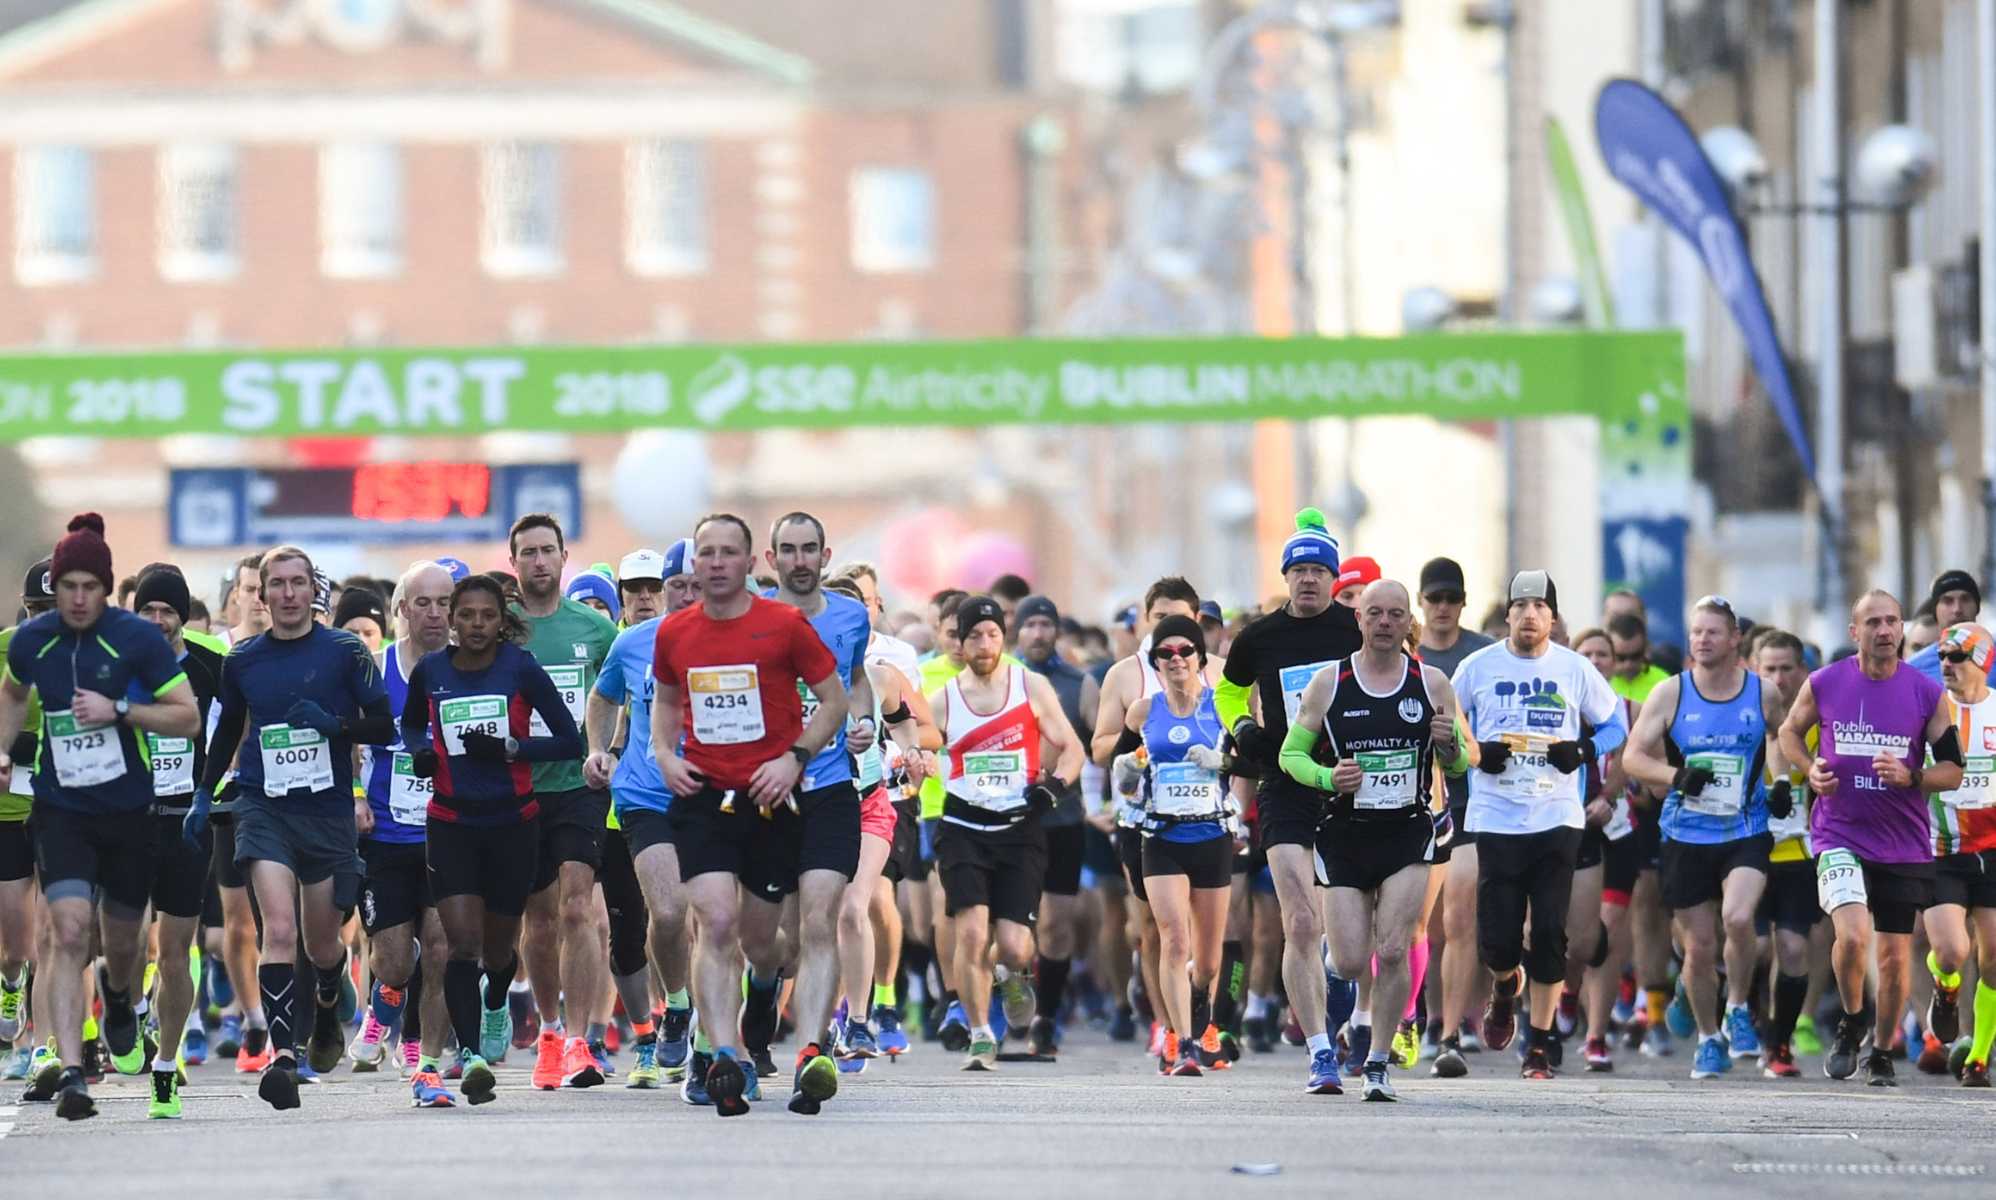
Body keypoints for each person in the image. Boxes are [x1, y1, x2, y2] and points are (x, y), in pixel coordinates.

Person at [649, 513, 850, 1117]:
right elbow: (664, 700)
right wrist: (664, 754)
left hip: (770, 799)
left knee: (765, 940)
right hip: (705, 796)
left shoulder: (783, 625)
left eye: (727, 553)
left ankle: (774, 1008)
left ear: (748, 562)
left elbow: (834, 700)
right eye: (704, 553)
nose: (714, 564)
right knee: (713, 920)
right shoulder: (674, 633)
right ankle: (726, 1058)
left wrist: (795, 757)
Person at [1, 516, 199, 1120]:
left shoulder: (134, 641)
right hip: (61, 811)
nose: (78, 598)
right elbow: (11, 693)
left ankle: (118, 999)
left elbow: (186, 716)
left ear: (107, 590)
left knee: (121, 942)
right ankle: (67, 1070)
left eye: (90, 586)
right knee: (63, 932)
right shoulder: (31, 643)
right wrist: (4, 750)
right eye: (68, 587)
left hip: (125, 810)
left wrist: (119, 710)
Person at [191, 544, 395, 1111]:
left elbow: (382, 725)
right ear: (261, 594)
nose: (285, 594)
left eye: (296, 584)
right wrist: (205, 793)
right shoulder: (244, 660)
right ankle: (284, 1057)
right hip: (263, 806)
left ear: (312, 591)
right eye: (273, 585)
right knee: (277, 931)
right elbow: (229, 727)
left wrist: (336, 726)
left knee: (322, 942)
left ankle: (329, 992)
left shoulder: (345, 652)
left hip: (326, 811)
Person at [399, 574, 581, 1105]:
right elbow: (411, 727)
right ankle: (474, 1056)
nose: (477, 624)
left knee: (500, 949)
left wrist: (512, 749)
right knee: (462, 945)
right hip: (451, 822)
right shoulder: (431, 671)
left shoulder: (519, 668)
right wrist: (423, 751)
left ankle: (498, 998)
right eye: (467, 615)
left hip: (513, 822)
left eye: (487, 615)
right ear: (452, 620)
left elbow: (569, 739)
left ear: (502, 621)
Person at [1281, 580, 1461, 1100]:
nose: (1384, 622)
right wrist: (1325, 777)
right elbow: (1290, 756)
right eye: (1374, 613)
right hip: (1344, 833)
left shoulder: (1431, 683)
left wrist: (1450, 750)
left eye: (1395, 614)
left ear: (1410, 624)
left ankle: (1378, 1062)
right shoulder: (1328, 683)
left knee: (1395, 948)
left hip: (1406, 830)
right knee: (1353, 959)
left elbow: (1460, 761)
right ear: (1358, 621)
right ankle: (1335, 989)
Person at [1776, 589, 1963, 1085]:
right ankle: (1851, 1019)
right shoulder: (1826, 682)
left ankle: (1880, 1049)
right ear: (1854, 632)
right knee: (1853, 936)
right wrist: (1809, 768)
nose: (1885, 631)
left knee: (1895, 957)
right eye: (1874, 623)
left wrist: (1913, 777)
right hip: (1838, 833)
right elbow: (1790, 734)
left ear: (1902, 629)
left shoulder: (1926, 694)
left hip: (1903, 841)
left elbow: (1953, 770)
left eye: (1893, 622)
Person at [1452, 570, 1626, 1080]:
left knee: (1550, 929)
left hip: (1556, 815)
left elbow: (1616, 723)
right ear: (1506, 614)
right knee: (1497, 940)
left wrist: (1585, 749)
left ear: (1553, 617)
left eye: (1539, 606)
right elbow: (1447, 723)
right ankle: (1507, 986)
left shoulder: (1573, 669)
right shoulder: (1478, 666)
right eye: (1520, 605)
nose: (1529, 615)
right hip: (1497, 815)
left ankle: (1540, 1041)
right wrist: (1477, 754)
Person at [1212, 508, 1363, 1093]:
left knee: (1347, 938)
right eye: (1297, 569)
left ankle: (1338, 974)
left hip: (1351, 782)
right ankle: (1321, 1051)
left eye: (1317, 570)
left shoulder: (1355, 630)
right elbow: (1227, 688)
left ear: (1333, 578)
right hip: (1285, 784)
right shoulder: (1261, 636)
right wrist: (1241, 729)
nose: (1307, 580)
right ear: (1285, 577)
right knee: (1299, 920)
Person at [1620, 596, 1785, 1081]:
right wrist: (1676, 776)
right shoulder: (1671, 693)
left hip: (1745, 827)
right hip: (1686, 832)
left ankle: (1736, 1006)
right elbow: (1634, 757)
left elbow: (1779, 738)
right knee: (1699, 945)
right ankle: (1709, 1039)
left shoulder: (1764, 692)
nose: (1702, 640)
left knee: (1738, 917)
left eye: (1713, 632)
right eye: (1696, 632)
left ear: (1735, 639)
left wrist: (1776, 784)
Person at [747, 512, 874, 1094]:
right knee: (774, 942)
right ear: (771, 560)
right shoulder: (751, 620)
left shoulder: (850, 616)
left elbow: (855, 679)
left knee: (821, 920)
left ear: (826, 557)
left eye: (809, 549)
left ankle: (812, 1053)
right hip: (765, 795)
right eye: (788, 550)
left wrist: (864, 720)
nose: (799, 559)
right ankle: (762, 988)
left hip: (827, 788)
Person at [930, 597, 1083, 1072]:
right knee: (971, 932)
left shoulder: (1029, 686)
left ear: (1004, 637)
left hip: (1019, 828)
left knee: (1015, 944)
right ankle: (980, 1035)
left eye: (992, 635)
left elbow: (1072, 748)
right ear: (960, 640)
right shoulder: (944, 699)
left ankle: (1011, 972)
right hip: (962, 826)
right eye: (973, 635)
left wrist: (1052, 790)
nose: (983, 644)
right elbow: (912, 747)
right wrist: (907, 764)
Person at [585, 538, 704, 1096]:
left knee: (721, 923)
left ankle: (716, 1036)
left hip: (715, 795)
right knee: (669, 911)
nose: (677, 595)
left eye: (685, 585)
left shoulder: (741, 640)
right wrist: (600, 747)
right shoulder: (634, 642)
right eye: (670, 585)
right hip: (645, 794)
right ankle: (675, 1008)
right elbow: (603, 697)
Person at [507, 514, 620, 1090]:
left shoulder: (597, 632)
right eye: (528, 553)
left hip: (579, 786)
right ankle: (548, 1030)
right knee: (540, 919)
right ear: (514, 563)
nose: (540, 562)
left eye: (548, 550)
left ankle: (580, 1041)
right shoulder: (502, 631)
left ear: (564, 556)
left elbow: (616, 698)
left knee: (579, 908)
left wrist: (610, 750)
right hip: (522, 788)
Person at [351, 561, 456, 1107]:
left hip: (449, 833)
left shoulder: (467, 669)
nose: (435, 613)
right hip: (387, 836)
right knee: (396, 959)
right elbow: (345, 737)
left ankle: (428, 1065)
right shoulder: (373, 669)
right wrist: (358, 797)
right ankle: (385, 997)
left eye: (444, 602)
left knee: (439, 947)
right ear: (401, 610)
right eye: (423, 602)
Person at [1118, 614, 1235, 1078]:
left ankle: (1200, 999)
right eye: (1165, 654)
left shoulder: (1223, 706)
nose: (1176, 659)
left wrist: (1221, 760)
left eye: (1185, 651)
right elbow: (1126, 768)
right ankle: (1182, 1041)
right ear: (1156, 664)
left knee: (1206, 959)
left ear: (1201, 659)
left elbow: (1252, 763)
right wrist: (1126, 777)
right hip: (1162, 835)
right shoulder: (1143, 712)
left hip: (1211, 834)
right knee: (1173, 938)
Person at [129, 565, 224, 1118]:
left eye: (168, 611)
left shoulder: (211, 665)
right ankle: (131, 1003)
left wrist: (217, 786)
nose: (159, 620)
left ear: (182, 617)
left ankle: (164, 1066)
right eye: (150, 610)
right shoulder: (119, 664)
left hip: (188, 821)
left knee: (174, 952)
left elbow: (233, 728)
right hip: (131, 822)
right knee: (126, 936)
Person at [1415, 556, 1495, 1075]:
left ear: (1463, 603)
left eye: (1451, 599)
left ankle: (1453, 1029)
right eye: (1434, 599)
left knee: (1463, 919)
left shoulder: (1485, 654)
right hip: (1414, 802)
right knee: (1428, 928)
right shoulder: (1405, 654)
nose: (1443, 608)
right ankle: (1429, 1018)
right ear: (1421, 605)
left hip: (1473, 800)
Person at [1016, 594, 1098, 1058]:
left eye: (1047, 625)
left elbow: (1104, 742)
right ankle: (1005, 998)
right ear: (1018, 631)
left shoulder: (1079, 684)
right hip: (1010, 819)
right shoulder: (1003, 679)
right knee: (1008, 925)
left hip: (1064, 819)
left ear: (1057, 632)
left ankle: (1045, 1017)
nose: (1039, 633)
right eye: (1031, 625)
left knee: (1057, 925)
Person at [1921, 623, 1996, 1087]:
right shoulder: (1930, 711)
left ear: (1982, 662)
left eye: (1956, 656)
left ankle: (1980, 1057)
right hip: (1939, 848)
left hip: (1993, 849)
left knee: (1994, 960)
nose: (1945, 664)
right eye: (1942, 656)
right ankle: (1945, 988)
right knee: (1951, 951)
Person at [1751, 630, 1818, 1076]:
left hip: (1799, 855)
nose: (1777, 677)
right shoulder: (1742, 720)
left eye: (1785, 668)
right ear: (1754, 672)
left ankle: (1779, 1043)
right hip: (1747, 851)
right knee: (1752, 948)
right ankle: (1748, 1018)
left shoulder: (1819, 725)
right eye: (1768, 669)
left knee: (1793, 950)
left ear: (1803, 673)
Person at [0, 557, 53, 1082]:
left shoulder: (81, 653)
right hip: (8, 811)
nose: (41, 620)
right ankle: (8, 984)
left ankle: (40, 1046)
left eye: (51, 610)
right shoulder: (5, 650)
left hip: (61, 812)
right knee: (16, 945)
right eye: (35, 609)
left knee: (53, 937)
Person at [1907, 570, 1985, 683]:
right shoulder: (1914, 670)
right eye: (1947, 601)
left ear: (1977, 607)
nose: (1957, 609)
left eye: (1965, 599)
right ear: (1935, 610)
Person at [1607, 613, 1671, 704]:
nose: (1628, 665)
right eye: (1621, 657)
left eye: (1635, 656)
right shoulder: (1599, 682)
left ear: (1646, 648)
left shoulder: (1663, 683)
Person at [334, 588, 390, 654]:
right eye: (352, 634)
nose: (361, 640)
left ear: (381, 637)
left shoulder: (398, 662)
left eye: (369, 634)